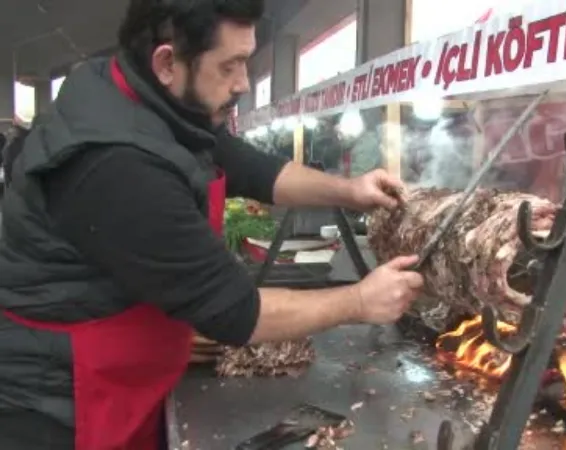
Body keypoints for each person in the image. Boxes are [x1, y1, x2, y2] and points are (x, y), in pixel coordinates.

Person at [0, 1, 424, 448]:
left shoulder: (147, 95)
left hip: (123, 375)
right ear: (166, 62)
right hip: (61, 401)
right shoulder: (116, 164)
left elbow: (248, 166)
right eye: (231, 65)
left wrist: (350, 190)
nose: (242, 82)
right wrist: (360, 301)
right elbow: (233, 310)